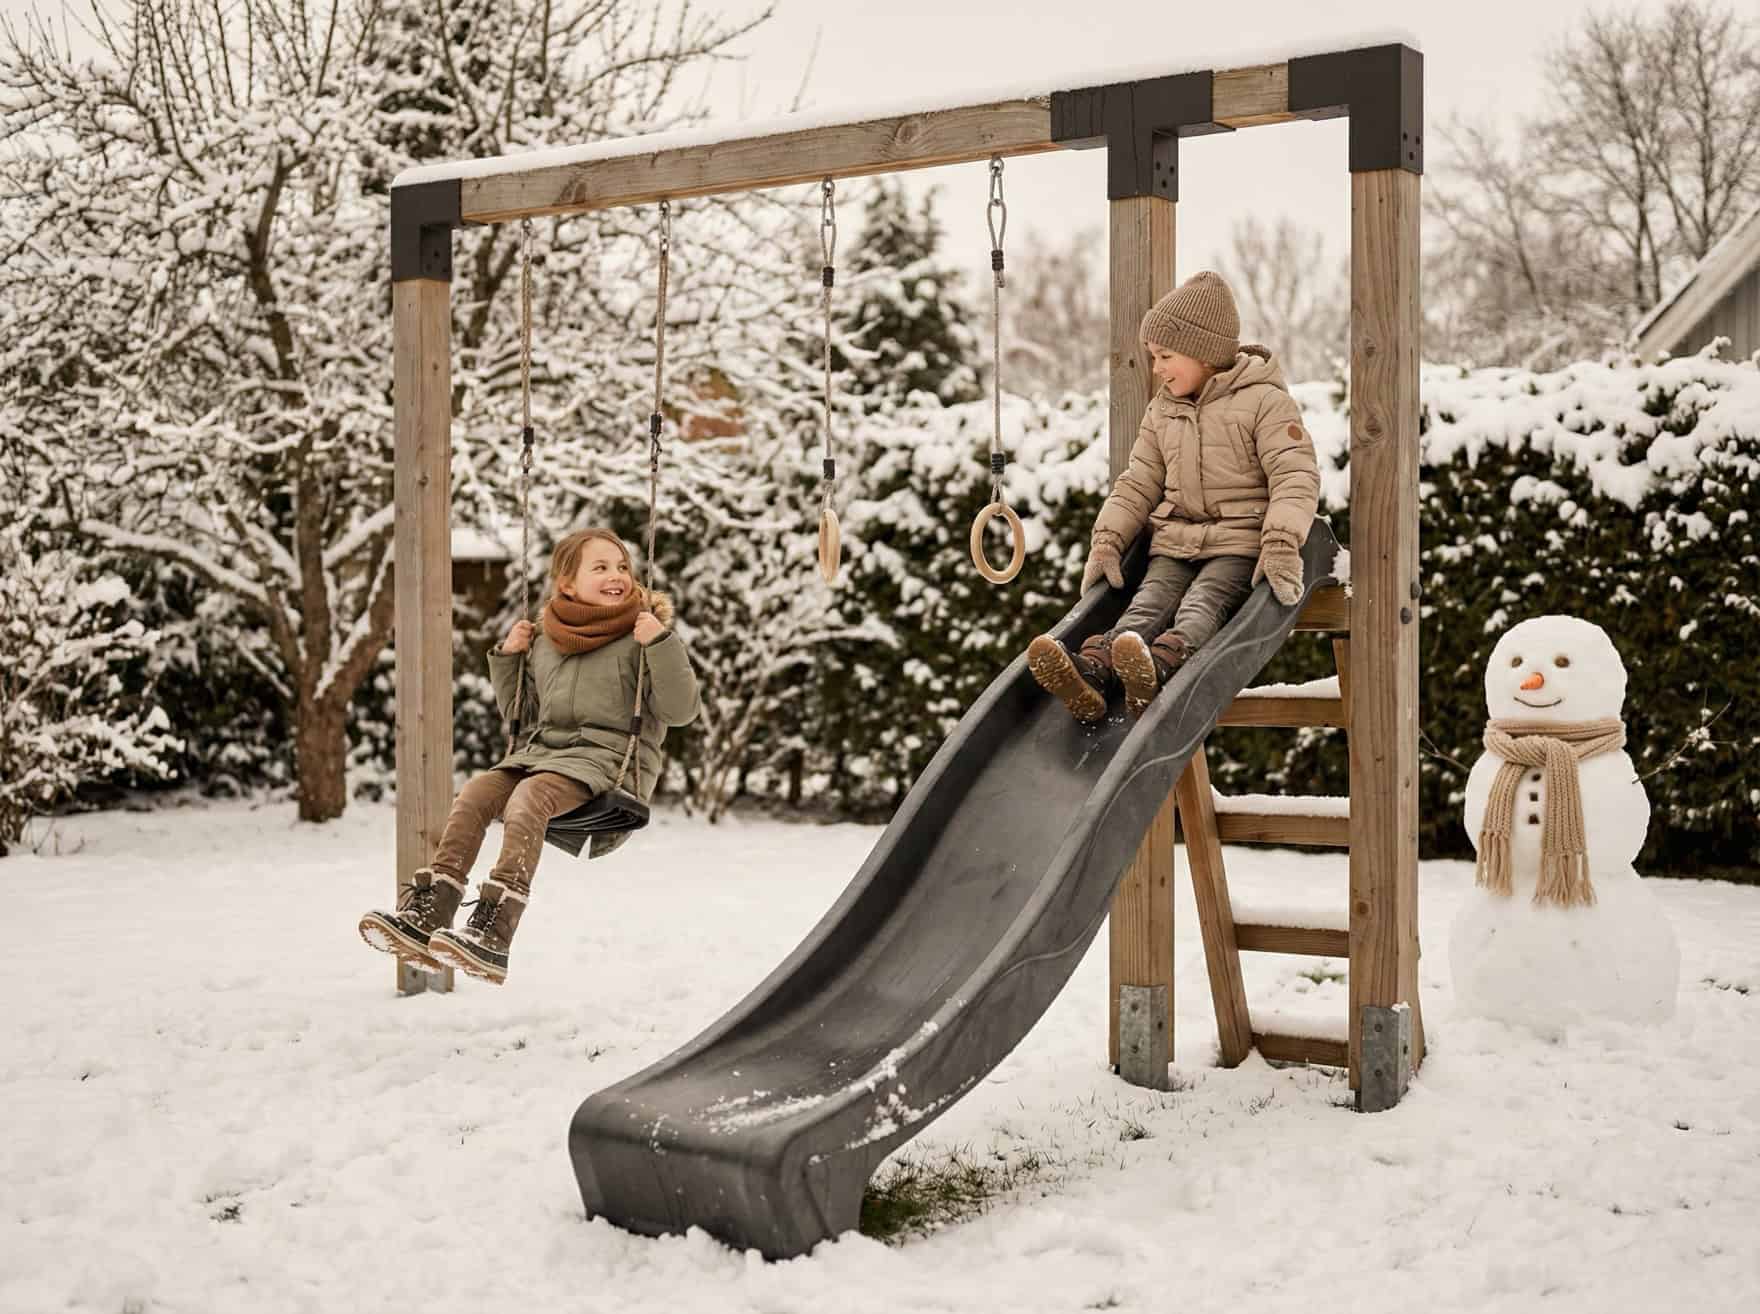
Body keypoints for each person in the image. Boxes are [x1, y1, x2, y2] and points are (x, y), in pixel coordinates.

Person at [358, 528, 699, 984]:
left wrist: (660, 644)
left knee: (529, 797)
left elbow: (681, 711)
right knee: (477, 793)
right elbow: (522, 714)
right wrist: (508, 659)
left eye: (622, 567)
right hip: (544, 755)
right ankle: (430, 912)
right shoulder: (546, 640)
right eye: (600, 568)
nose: (617, 576)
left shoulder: (643, 635)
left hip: (608, 763)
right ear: (567, 584)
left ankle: (495, 930)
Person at [1026, 270, 1320, 722]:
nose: (1157, 368)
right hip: (1175, 541)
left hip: (1237, 546)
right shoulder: (1163, 409)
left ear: (1204, 353)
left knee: (1202, 604)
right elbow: (1138, 481)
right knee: (1148, 603)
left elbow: (1294, 474)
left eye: (1166, 355)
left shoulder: (1264, 402)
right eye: (1153, 356)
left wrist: (1281, 542)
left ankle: (1163, 666)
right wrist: (1108, 540)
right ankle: (1098, 672)